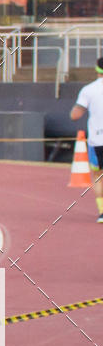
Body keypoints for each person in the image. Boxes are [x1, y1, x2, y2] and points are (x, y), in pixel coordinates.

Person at [70, 57, 103, 223]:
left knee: (99, 176)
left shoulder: (88, 90)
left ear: (97, 69)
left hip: (97, 139)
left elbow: (75, 115)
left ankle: (102, 212)